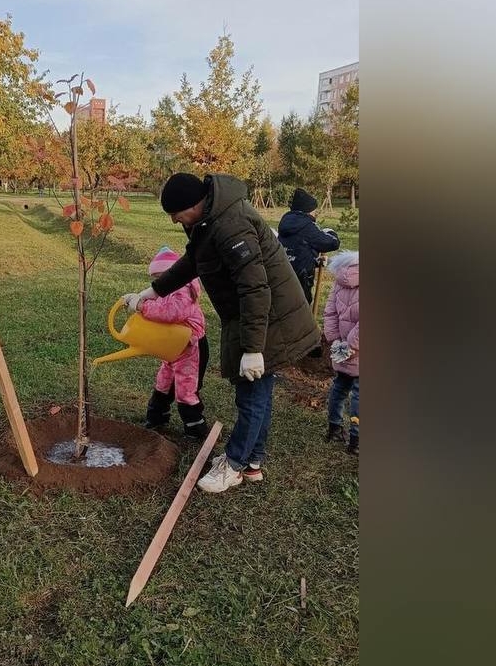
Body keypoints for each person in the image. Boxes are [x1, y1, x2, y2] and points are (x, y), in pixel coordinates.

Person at [123, 173, 322, 493]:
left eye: (176, 215)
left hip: (268, 320)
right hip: (256, 317)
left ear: (193, 204)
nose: (175, 222)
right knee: (259, 391)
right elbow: (192, 262)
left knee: (252, 395)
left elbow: (256, 288)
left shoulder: (232, 226)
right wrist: (154, 291)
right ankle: (253, 463)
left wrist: (254, 348)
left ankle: (234, 465)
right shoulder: (210, 220)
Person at [136, 246, 211, 440]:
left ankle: (196, 428)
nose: (161, 283)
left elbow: (172, 313)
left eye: (163, 276)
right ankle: (156, 418)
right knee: (164, 383)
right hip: (172, 347)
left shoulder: (183, 290)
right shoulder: (166, 291)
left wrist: (142, 306)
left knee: (186, 389)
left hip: (191, 347)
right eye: (158, 278)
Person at [322, 251, 360, 456]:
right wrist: (351, 348)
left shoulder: (339, 280)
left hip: (340, 346)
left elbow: (329, 313)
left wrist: (336, 343)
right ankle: (357, 439)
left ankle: (334, 428)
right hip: (359, 350)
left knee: (339, 387)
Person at [277, 188, 340, 306]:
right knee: (300, 311)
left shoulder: (285, 223)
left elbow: (296, 250)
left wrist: (315, 261)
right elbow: (332, 243)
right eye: (313, 210)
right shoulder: (307, 226)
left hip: (283, 276)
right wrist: (330, 231)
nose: (314, 213)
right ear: (307, 210)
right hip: (302, 278)